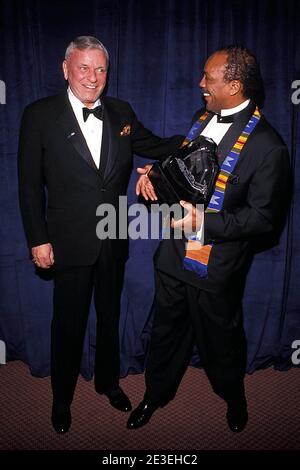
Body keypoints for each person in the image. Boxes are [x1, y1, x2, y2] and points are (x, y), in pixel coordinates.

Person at [18, 36, 183, 434]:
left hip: (113, 234)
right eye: (84, 68)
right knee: (68, 323)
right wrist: (38, 239)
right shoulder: (39, 115)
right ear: (65, 70)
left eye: (101, 69)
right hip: (67, 240)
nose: (93, 78)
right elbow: (27, 186)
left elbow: (156, 146)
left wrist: (199, 139)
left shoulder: (122, 112)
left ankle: (109, 384)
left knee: (109, 318)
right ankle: (62, 398)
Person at [127, 46, 291, 432]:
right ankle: (155, 394)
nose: (200, 83)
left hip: (217, 267)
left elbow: (264, 219)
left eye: (209, 78)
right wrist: (154, 175)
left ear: (234, 86)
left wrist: (204, 224)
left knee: (222, 339)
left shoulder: (270, 147)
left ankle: (233, 397)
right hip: (172, 256)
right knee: (166, 331)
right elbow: (188, 176)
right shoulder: (200, 118)